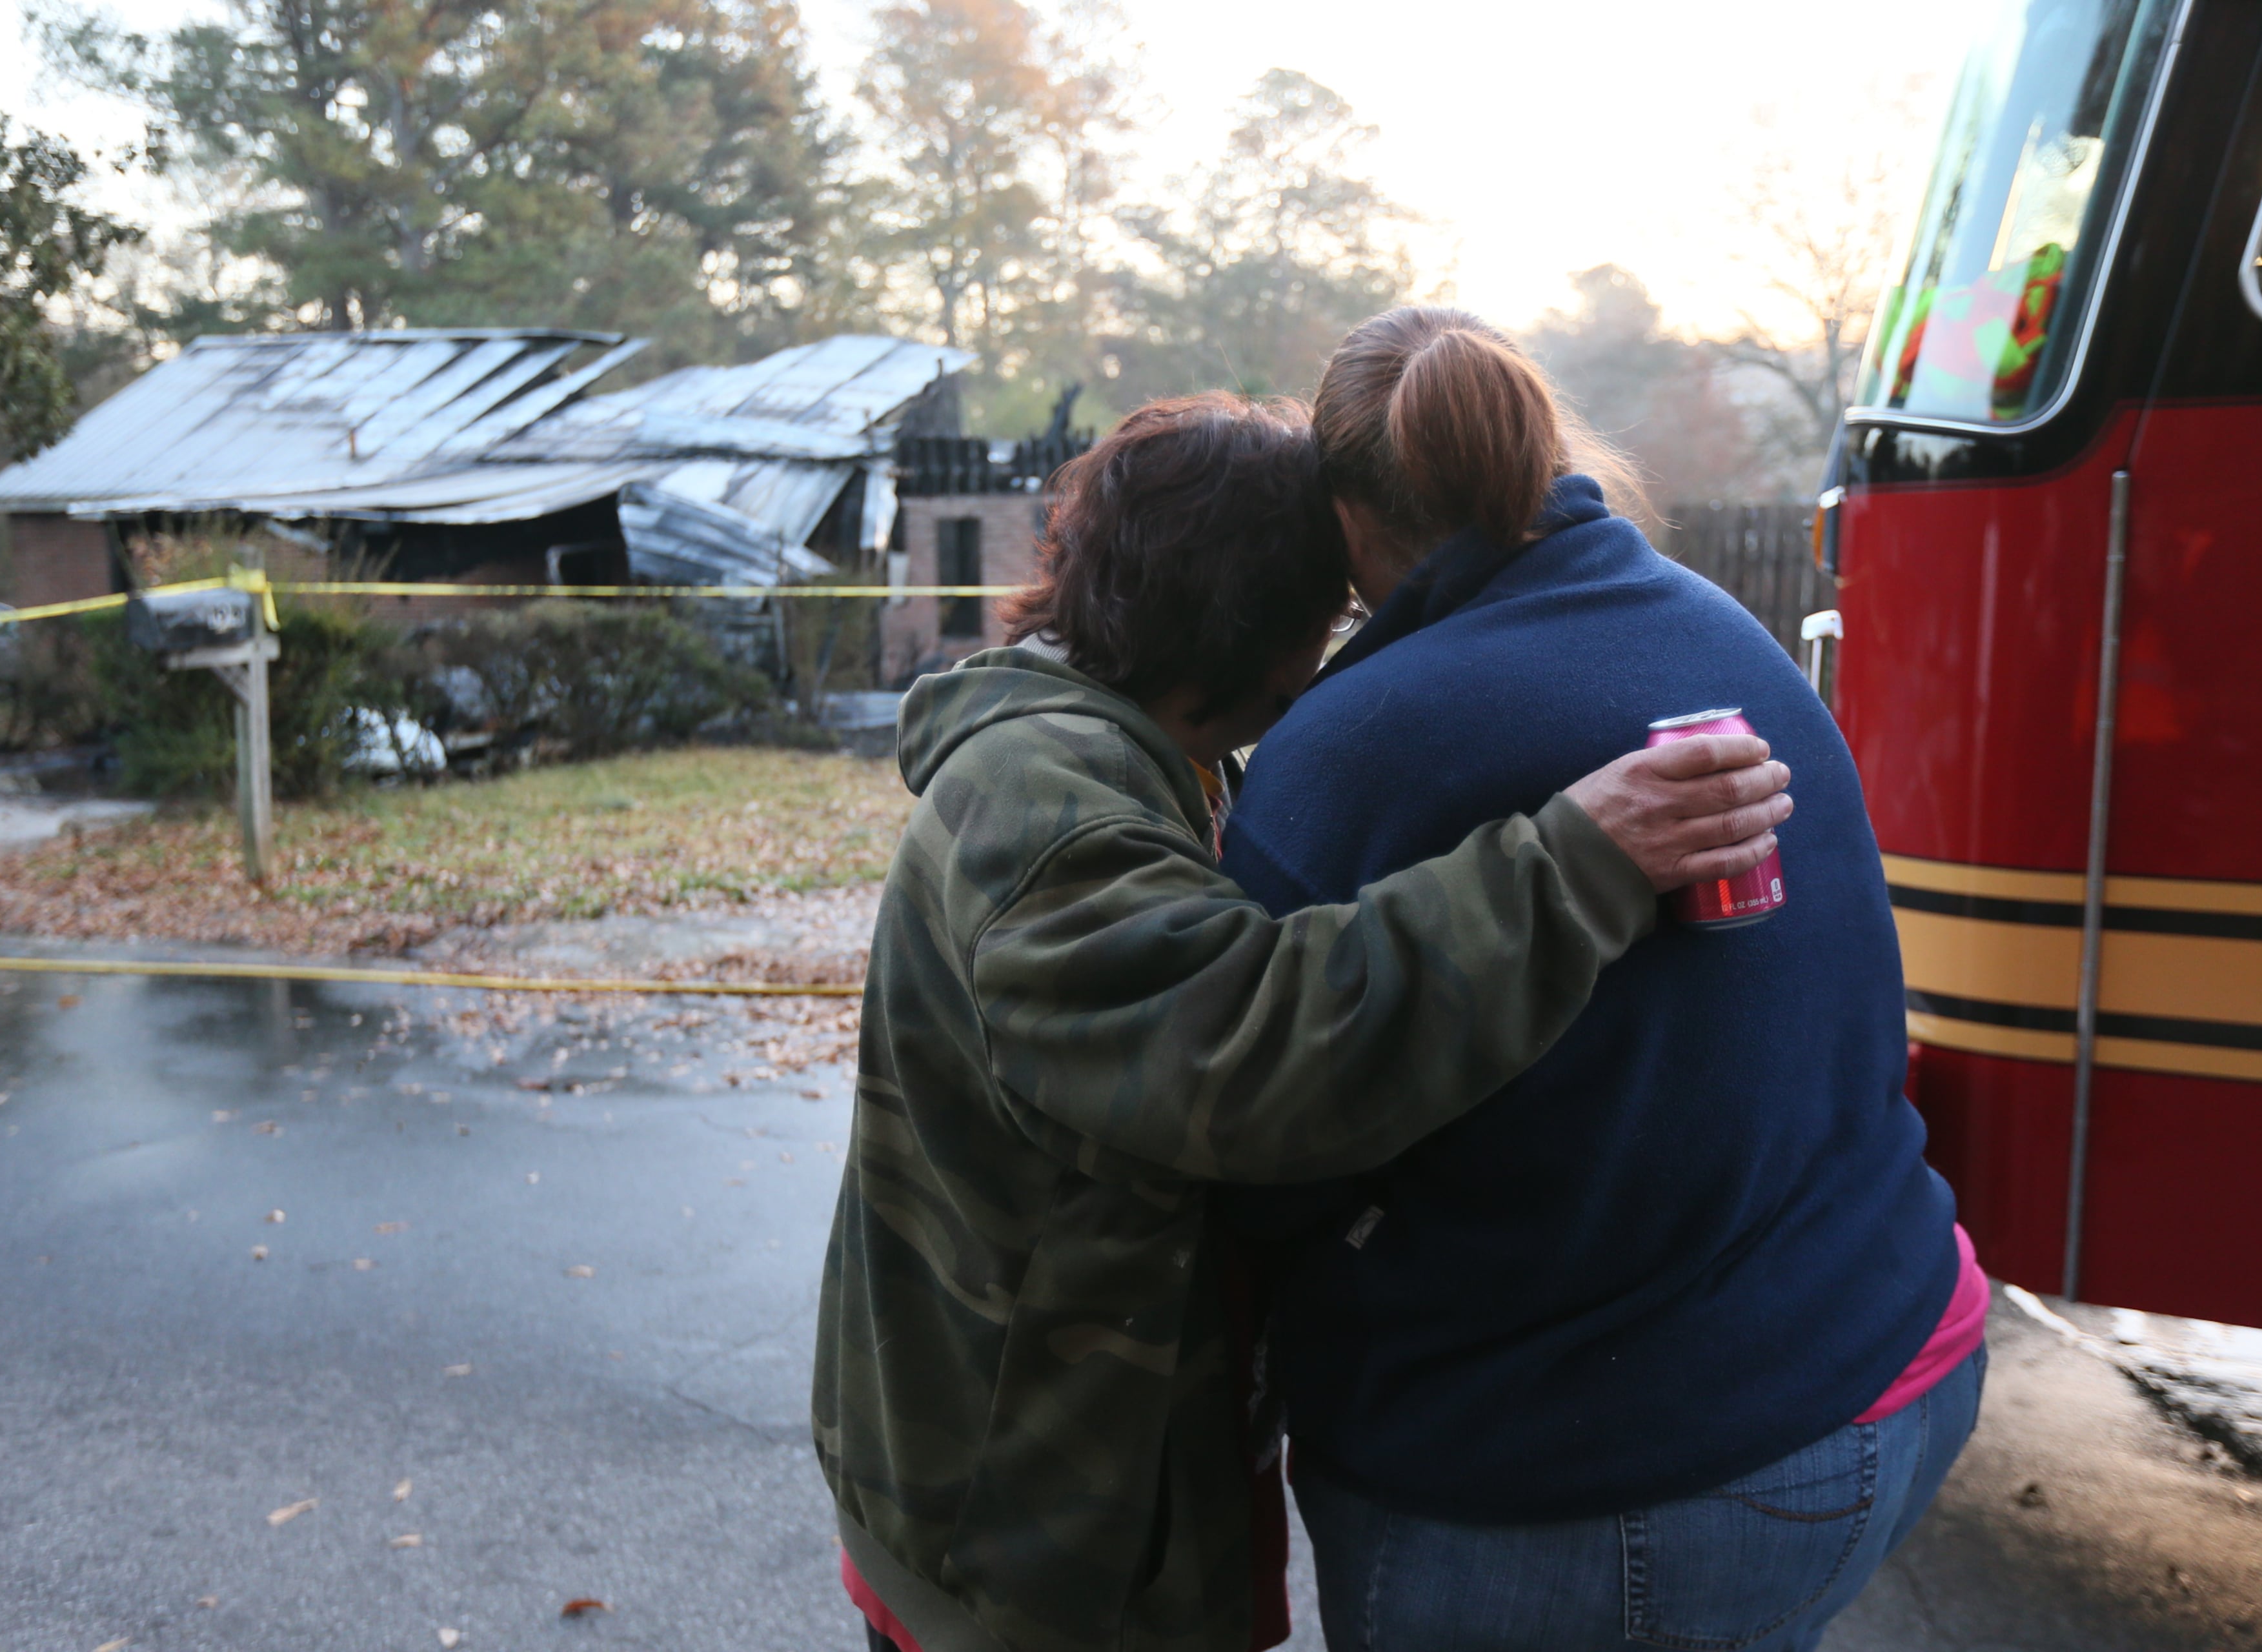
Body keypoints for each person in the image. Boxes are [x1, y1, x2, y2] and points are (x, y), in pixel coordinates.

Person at [812, 392, 1794, 1652]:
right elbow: (1256, 1049)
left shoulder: (1110, 741)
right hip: (1019, 1526)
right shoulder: (1049, 806)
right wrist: (1575, 863)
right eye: (1336, 613)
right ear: (1262, 634)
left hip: (1025, 1476)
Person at [1220, 309, 1985, 1652]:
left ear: (1343, 519)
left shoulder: (1353, 746)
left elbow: (1255, 1135)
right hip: (1894, 1349)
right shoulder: (1714, 628)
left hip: (1595, 1483)